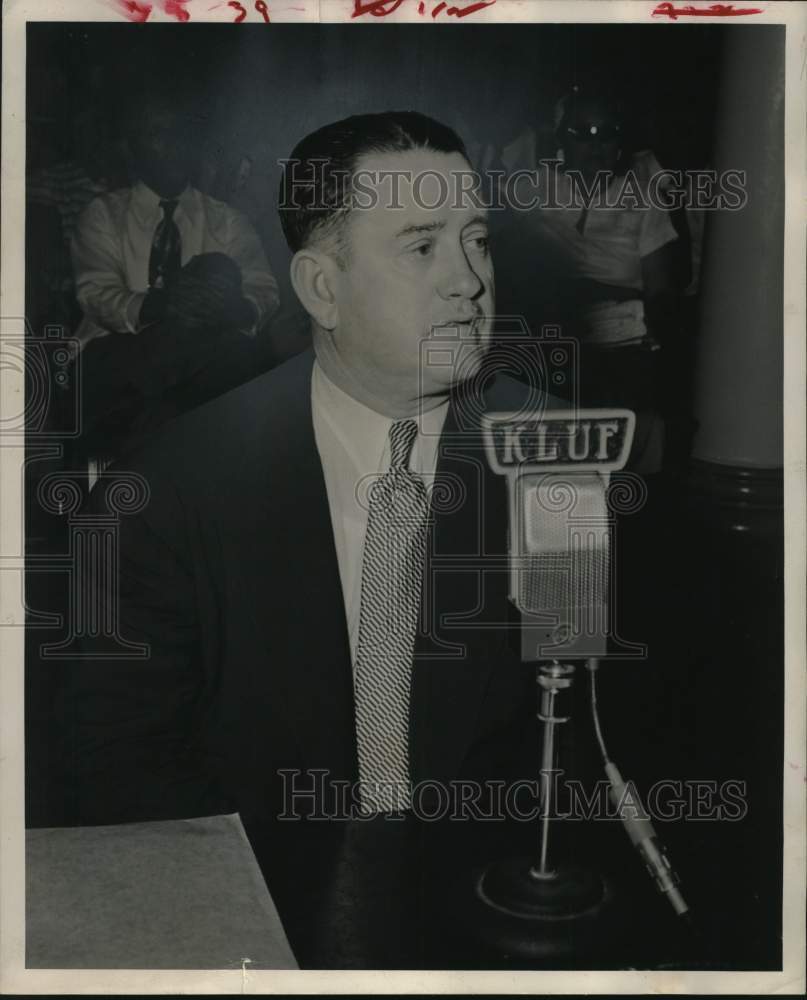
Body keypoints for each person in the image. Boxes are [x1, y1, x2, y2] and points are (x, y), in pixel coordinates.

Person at [61, 112, 559, 968]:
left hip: (482, 910)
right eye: (420, 247)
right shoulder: (173, 483)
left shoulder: (553, 457)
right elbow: (117, 764)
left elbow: (578, 741)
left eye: (476, 240)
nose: (469, 282)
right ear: (320, 289)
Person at [69, 92, 281, 458]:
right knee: (228, 364)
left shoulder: (228, 220)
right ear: (132, 146)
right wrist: (166, 306)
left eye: (180, 132)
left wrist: (227, 309)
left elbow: (264, 291)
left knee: (240, 356)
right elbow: (97, 295)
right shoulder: (104, 213)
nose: (172, 143)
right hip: (119, 357)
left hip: (194, 364)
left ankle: (155, 436)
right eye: (156, 132)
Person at [519, 87, 682, 471]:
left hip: (620, 339)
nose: (595, 145)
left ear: (620, 142)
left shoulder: (645, 198)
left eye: (607, 133)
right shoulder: (531, 188)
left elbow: (660, 288)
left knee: (628, 416)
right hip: (547, 328)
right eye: (582, 133)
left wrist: (660, 332)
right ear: (561, 140)